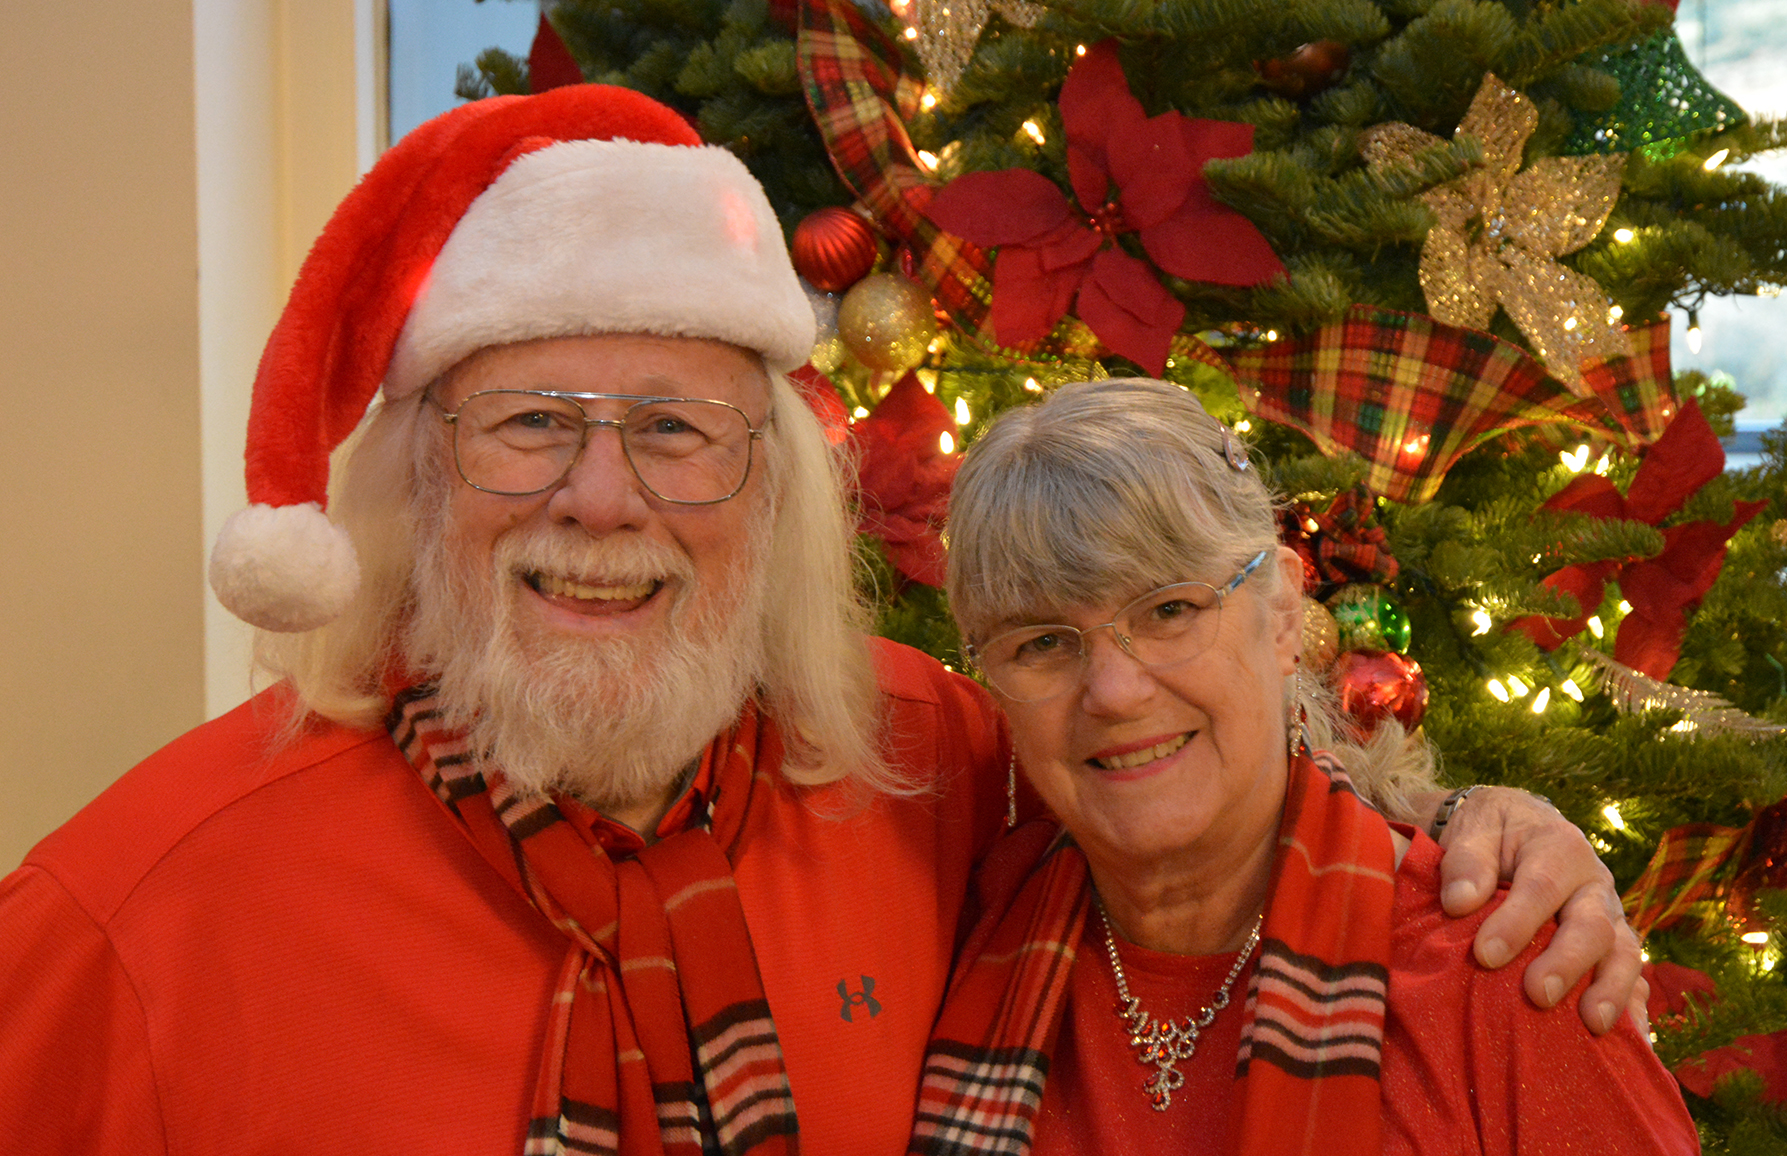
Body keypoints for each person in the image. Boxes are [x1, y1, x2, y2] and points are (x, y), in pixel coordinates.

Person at [0, 85, 1636, 1155]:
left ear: (774, 489)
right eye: (527, 423)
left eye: (677, 429)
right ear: (413, 480)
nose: (601, 497)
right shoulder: (134, 914)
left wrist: (1486, 826)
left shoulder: (925, 755)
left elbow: (1190, 784)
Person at [911, 378, 1698, 1156]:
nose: (1114, 691)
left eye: (1170, 608)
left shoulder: (1505, 978)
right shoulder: (956, 935)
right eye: (1042, 643)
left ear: (1284, 615)